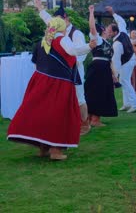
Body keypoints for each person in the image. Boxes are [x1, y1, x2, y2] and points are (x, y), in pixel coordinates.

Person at [7, 17, 96, 160]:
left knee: (42, 113)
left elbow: (36, 64)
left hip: (40, 81)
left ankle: (43, 148)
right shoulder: (62, 39)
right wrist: (89, 46)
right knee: (59, 114)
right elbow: (73, 51)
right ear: (61, 28)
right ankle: (56, 151)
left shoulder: (43, 42)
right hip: (59, 84)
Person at [34, 0, 91, 135]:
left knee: (79, 97)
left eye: (59, 20)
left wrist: (68, 58)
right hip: (62, 71)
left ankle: (85, 124)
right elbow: (48, 20)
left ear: (66, 18)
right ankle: (70, 123)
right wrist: (40, 8)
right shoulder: (57, 30)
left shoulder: (76, 33)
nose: (55, 23)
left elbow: (79, 55)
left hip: (75, 69)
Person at [85, 5, 118, 127]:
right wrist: (91, 13)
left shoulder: (106, 42)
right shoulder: (98, 40)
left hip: (104, 68)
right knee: (96, 92)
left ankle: (92, 118)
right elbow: (92, 27)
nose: (107, 31)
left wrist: (113, 75)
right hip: (98, 68)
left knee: (100, 92)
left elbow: (109, 60)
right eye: (105, 29)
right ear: (102, 31)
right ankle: (94, 119)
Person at [106, 6, 136, 113]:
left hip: (128, 61)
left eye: (109, 31)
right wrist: (113, 13)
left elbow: (116, 61)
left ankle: (135, 104)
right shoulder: (122, 31)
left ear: (115, 32)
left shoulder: (117, 44)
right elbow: (121, 21)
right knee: (124, 81)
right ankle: (127, 103)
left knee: (124, 81)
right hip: (130, 59)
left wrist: (115, 75)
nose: (107, 33)